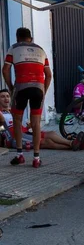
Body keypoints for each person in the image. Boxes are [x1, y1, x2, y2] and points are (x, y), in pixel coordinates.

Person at [2, 27, 52, 167]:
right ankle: (36, 159)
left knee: (17, 119)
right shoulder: (41, 50)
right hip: (38, 88)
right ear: (31, 38)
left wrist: (11, 87)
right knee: (35, 122)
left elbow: (5, 70)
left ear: (18, 38)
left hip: (21, 87)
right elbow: (48, 75)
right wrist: (44, 91)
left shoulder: (14, 48)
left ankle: (20, 155)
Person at [0, 89, 84, 151]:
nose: (6, 98)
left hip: (25, 132)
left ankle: (73, 143)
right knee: (46, 142)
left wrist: (29, 124)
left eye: (7, 96)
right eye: (2, 97)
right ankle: (73, 145)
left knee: (51, 133)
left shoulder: (13, 110)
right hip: (15, 136)